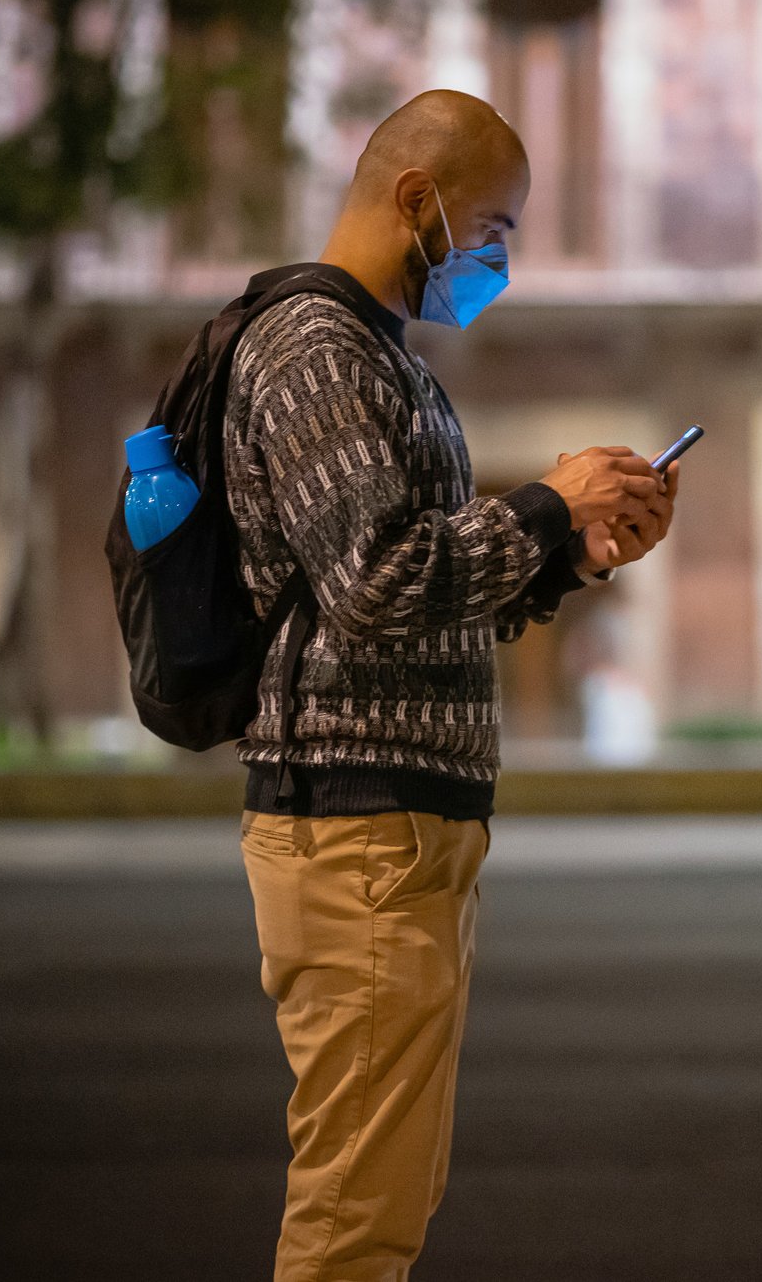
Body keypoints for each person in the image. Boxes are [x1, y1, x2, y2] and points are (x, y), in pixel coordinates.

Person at [223, 89, 679, 1281]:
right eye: (495, 231)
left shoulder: (381, 357)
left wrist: (574, 551)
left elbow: (421, 597)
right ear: (417, 202)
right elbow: (374, 583)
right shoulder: (317, 349)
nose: (499, 262)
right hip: (358, 828)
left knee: (388, 1195)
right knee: (356, 1216)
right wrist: (544, 503)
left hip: (401, 828)